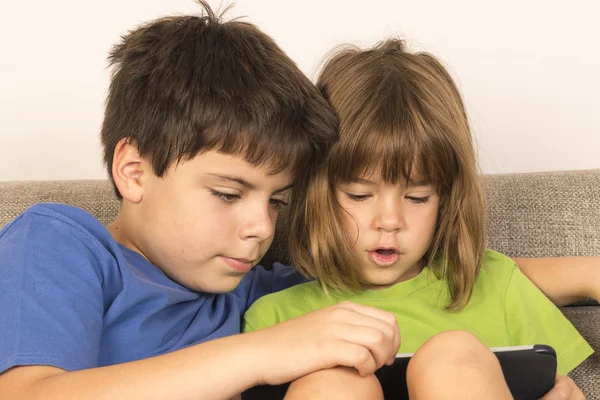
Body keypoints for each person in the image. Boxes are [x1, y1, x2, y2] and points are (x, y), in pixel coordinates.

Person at [0, 4, 403, 399]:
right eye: (228, 194)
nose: (262, 227)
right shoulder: (58, 242)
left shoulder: (257, 294)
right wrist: (261, 353)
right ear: (134, 171)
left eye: (278, 201)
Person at [243, 38, 594, 399]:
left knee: (453, 357)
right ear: (315, 194)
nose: (391, 221)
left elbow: (556, 386)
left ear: (446, 199)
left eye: (417, 197)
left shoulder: (497, 285)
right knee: (334, 382)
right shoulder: (274, 316)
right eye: (360, 195)